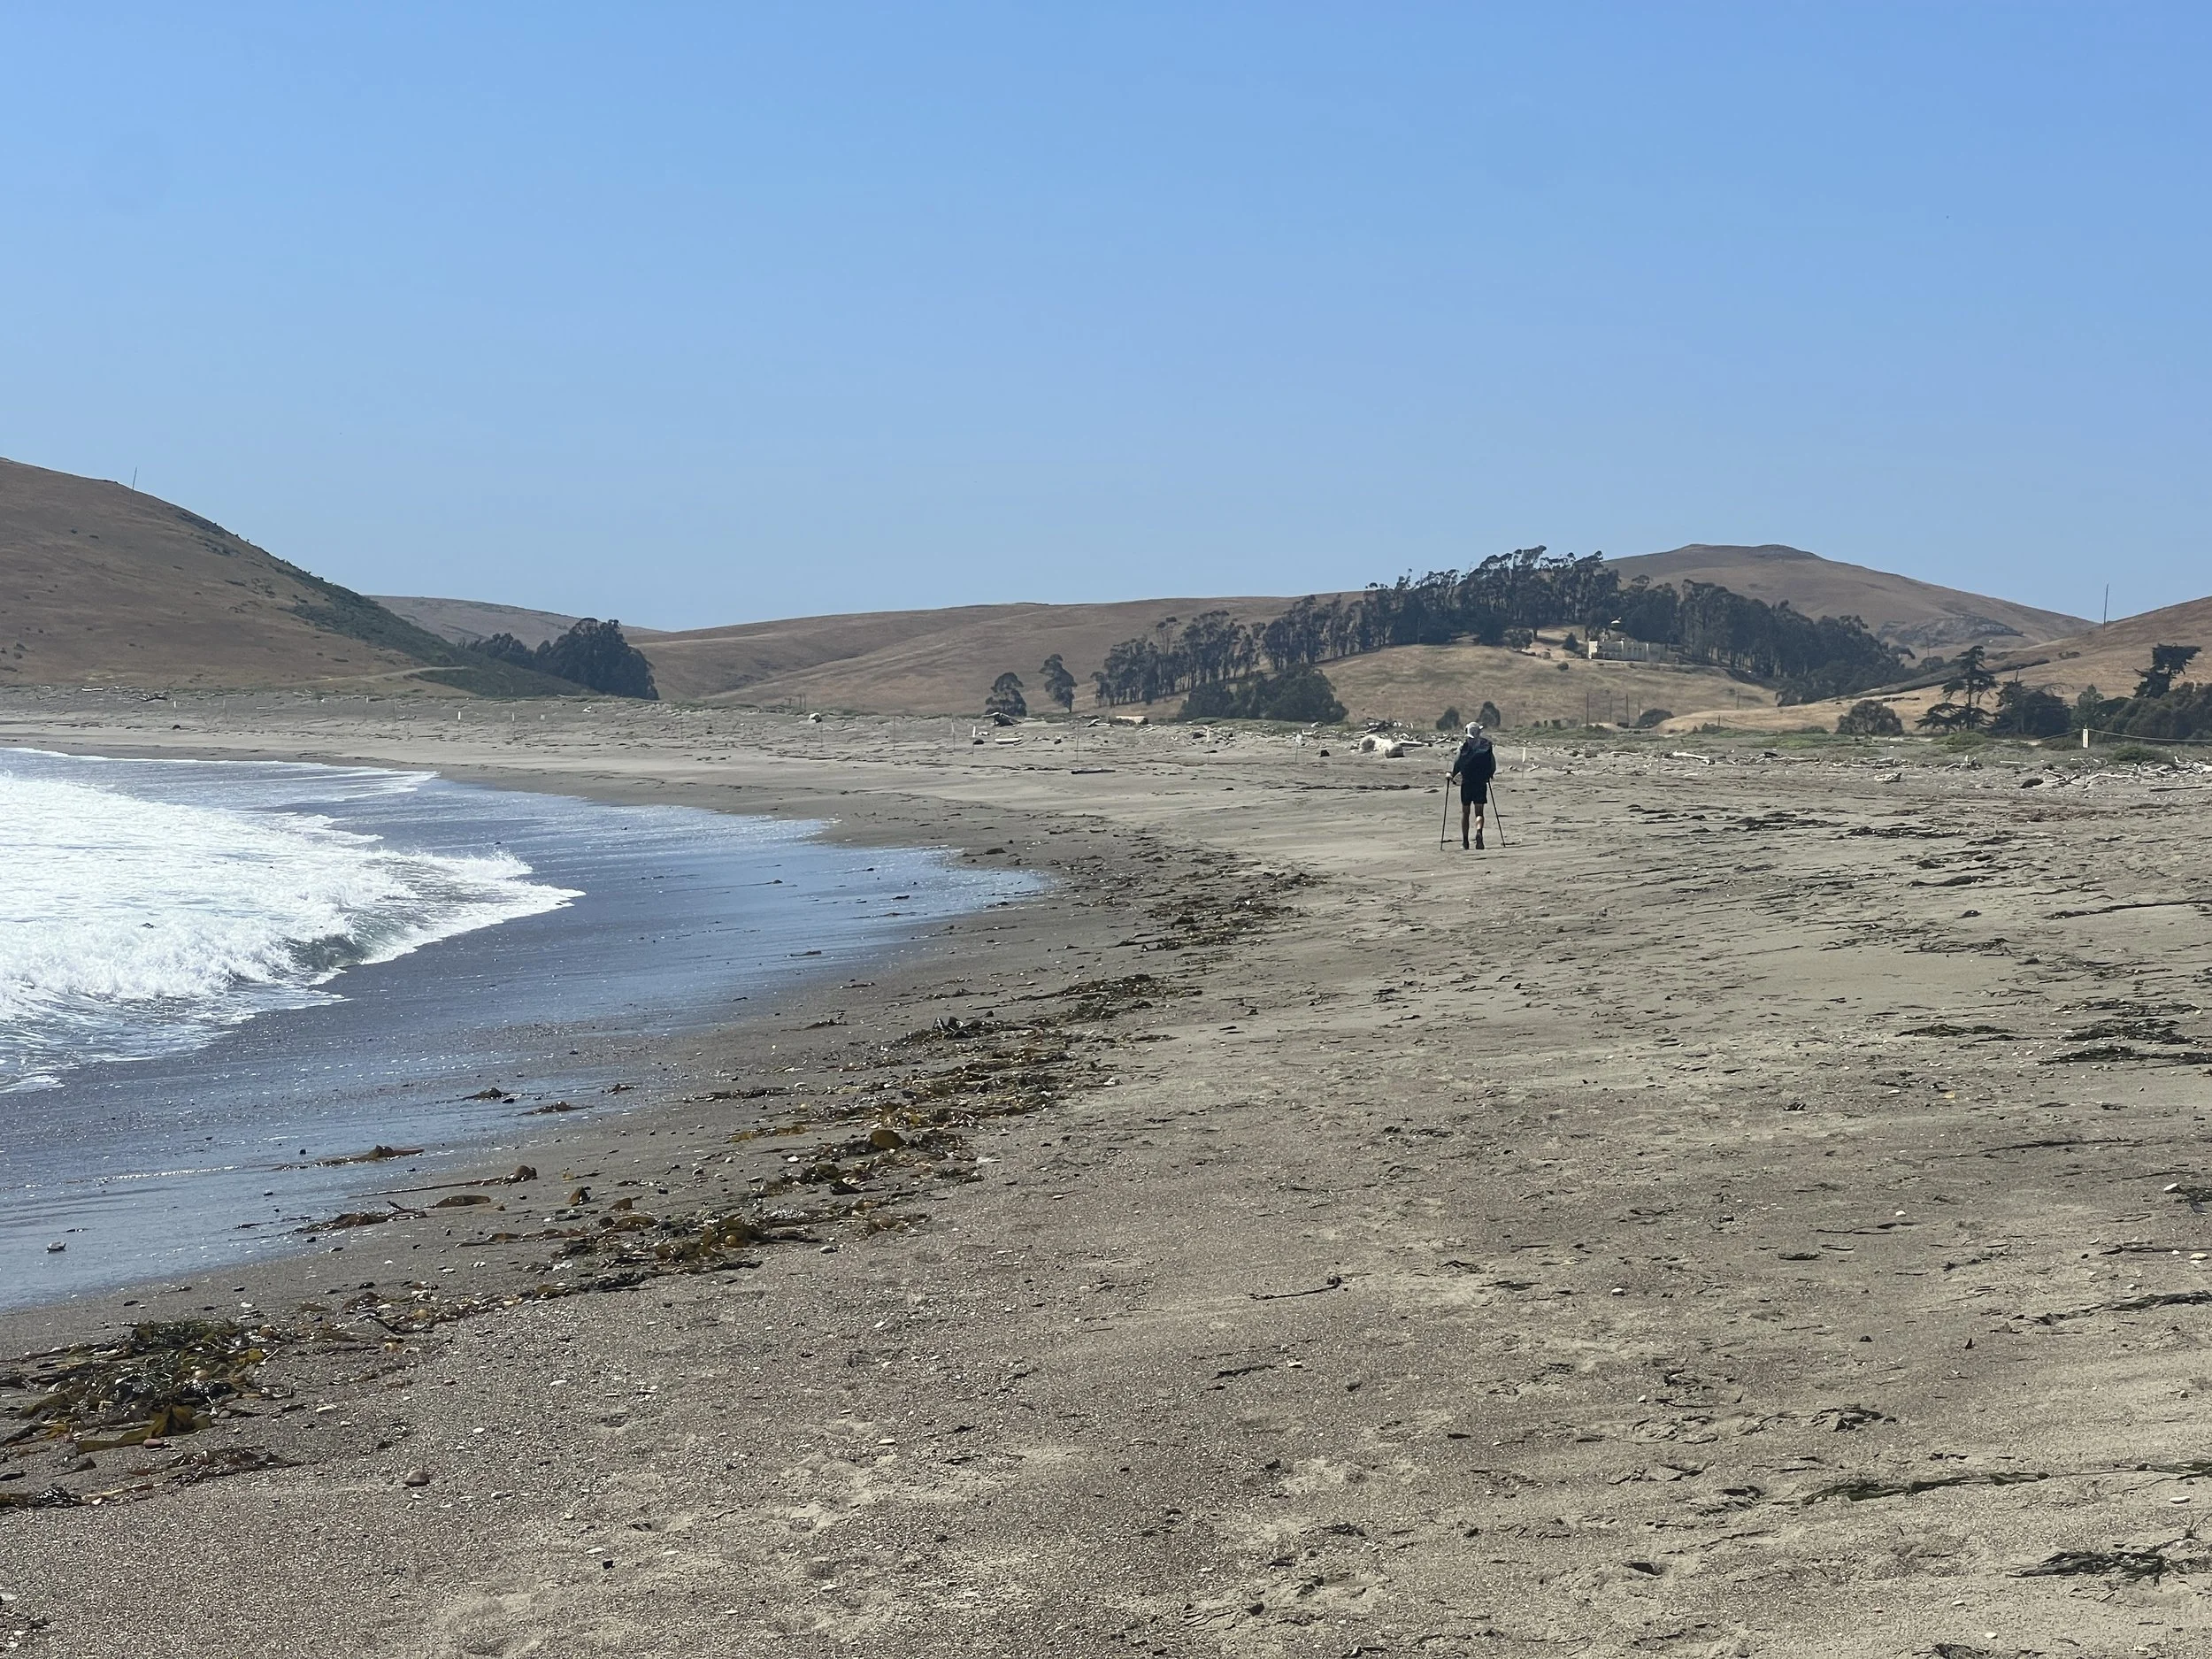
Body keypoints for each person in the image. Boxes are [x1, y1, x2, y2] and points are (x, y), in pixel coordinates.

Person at [1448, 721, 1496, 849]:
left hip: (1467, 782)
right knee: (1479, 812)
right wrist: (1489, 774)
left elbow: (1457, 764)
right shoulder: (1486, 746)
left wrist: (1451, 775)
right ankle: (1479, 833)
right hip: (1481, 782)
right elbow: (1492, 764)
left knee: (1465, 812)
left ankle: (1465, 842)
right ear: (1479, 732)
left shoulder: (1463, 748)